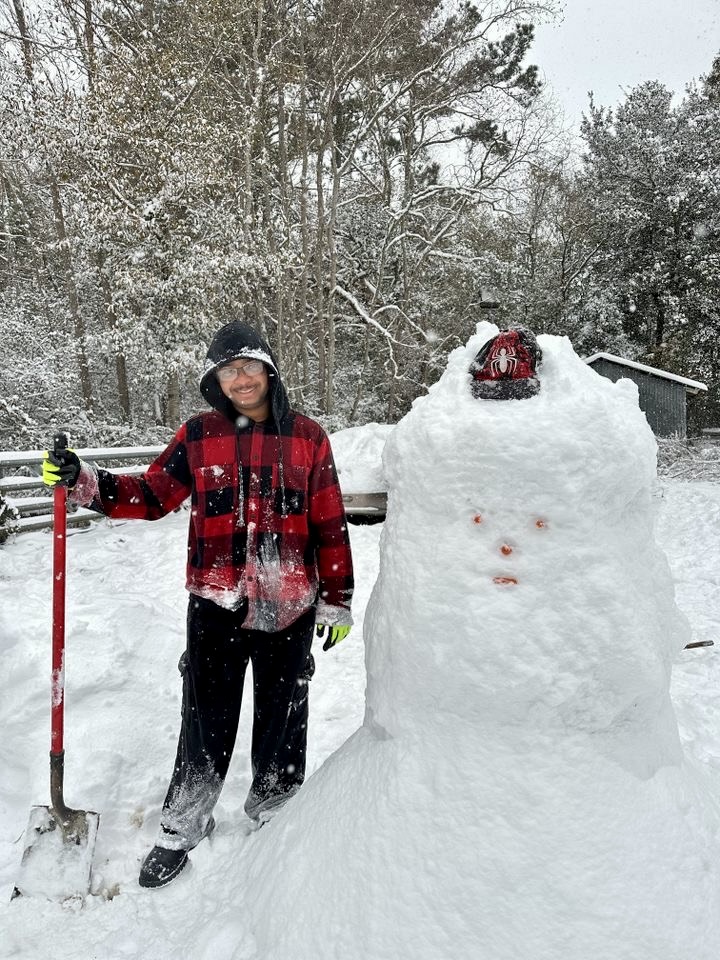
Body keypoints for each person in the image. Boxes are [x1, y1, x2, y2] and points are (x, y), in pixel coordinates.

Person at [42, 321, 354, 889]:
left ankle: (275, 807)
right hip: (216, 599)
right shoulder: (198, 435)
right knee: (204, 715)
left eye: (249, 367)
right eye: (228, 370)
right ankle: (184, 822)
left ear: (269, 372)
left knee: (283, 713)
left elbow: (329, 520)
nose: (240, 378)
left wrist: (337, 599)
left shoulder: (308, 438)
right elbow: (153, 493)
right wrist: (86, 481)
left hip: (289, 601)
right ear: (216, 380)